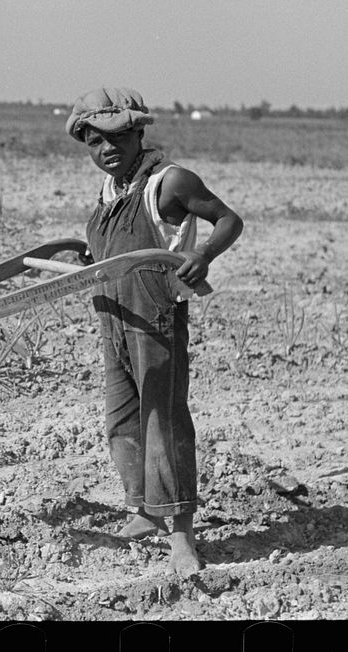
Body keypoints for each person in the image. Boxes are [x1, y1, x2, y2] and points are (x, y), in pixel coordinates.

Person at [66, 87, 244, 577]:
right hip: (113, 314)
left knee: (161, 420)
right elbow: (111, 248)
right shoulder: (111, 189)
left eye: (117, 137)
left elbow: (229, 219)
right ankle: (143, 510)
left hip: (155, 313)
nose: (107, 150)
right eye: (94, 141)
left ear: (138, 132)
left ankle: (181, 536)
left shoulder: (168, 183)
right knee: (122, 418)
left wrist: (203, 254)